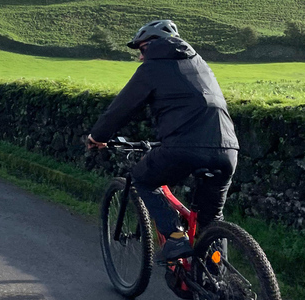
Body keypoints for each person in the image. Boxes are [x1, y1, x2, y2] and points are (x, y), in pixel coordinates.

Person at [86, 20, 239, 263]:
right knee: (209, 223)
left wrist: (97, 137)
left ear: (150, 46)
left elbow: (121, 109)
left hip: (183, 148)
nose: (139, 56)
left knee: (142, 180)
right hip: (228, 149)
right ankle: (217, 278)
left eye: (140, 49)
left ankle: (176, 237)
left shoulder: (152, 68)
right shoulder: (201, 64)